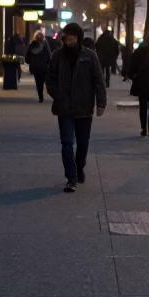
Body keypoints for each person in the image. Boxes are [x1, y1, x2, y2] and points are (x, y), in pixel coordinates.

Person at [46, 22, 107, 192]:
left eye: (72, 39)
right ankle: (71, 178)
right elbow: (49, 79)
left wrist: (101, 102)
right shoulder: (58, 56)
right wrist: (58, 95)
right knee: (66, 143)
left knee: (82, 143)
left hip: (84, 106)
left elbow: (98, 80)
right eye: (66, 39)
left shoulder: (89, 56)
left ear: (78, 38)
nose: (68, 42)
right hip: (64, 107)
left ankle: (79, 167)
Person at [25, 30, 51, 103]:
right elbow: (49, 54)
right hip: (44, 66)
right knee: (46, 81)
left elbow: (27, 56)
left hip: (35, 67)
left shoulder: (32, 45)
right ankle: (49, 95)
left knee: (38, 82)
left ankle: (40, 96)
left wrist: (30, 62)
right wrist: (48, 62)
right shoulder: (45, 44)